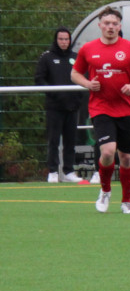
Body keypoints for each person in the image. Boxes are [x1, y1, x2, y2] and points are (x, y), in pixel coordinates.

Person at [71, 6, 130, 214]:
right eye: (106, 23)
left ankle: (126, 201)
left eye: (114, 24)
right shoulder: (88, 49)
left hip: (126, 110)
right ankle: (105, 190)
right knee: (108, 152)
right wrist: (88, 84)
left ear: (120, 26)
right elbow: (75, 74)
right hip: (101, 109)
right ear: (100, 25)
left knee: (126, 158)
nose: (110, 27)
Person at [37, 27, 86, 183]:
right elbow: (39, 79)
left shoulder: (76, 57)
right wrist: (54, 94)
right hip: (54, 107)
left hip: (72, 107)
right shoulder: (47, 58)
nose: (64, 42)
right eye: (61, 39)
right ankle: (52, 171)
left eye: (66, 39)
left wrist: (77, 97)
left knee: (70, 140)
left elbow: (83, 77)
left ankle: (69, 171)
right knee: (53, 140)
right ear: (56, 40)